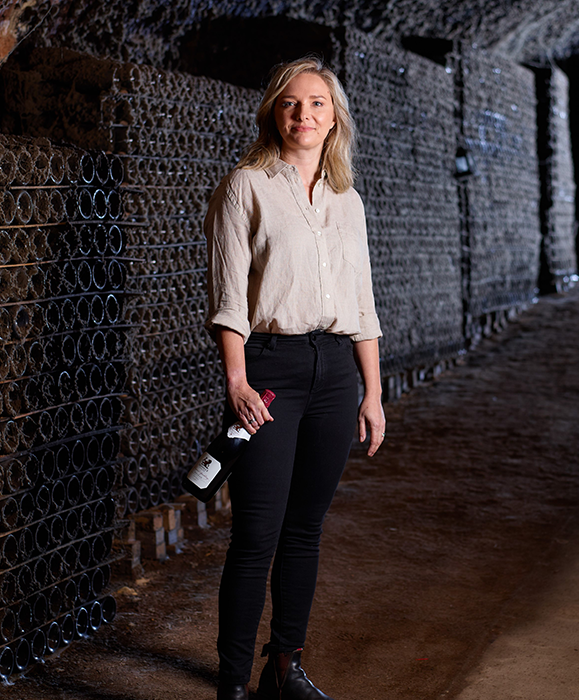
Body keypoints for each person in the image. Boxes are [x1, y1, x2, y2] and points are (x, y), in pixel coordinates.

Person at [203, 56, 386, 700]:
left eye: (316, 104)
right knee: (257, 533)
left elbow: (362, 305)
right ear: (273, 114)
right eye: (290, 104)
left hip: (335, 371)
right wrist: (237, 381)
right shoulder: (244, 187)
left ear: (333, 118)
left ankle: (284, 668)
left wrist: (374, 395)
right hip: (271, 369)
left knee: (305, 528)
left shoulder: (348, 202)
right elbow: (229, 300)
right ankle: (231, 685)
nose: (302, 115)